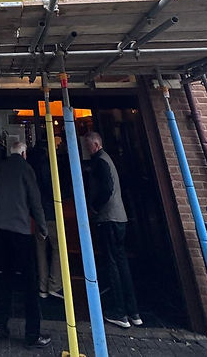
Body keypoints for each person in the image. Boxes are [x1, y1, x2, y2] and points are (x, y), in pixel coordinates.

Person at [0, 140, 52, 349]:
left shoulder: (0, 168)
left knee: (5, 276)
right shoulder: (26, 169)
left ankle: (1, 322)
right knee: (29, 282)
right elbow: (35, 200)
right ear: (24, 153)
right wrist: (42, 227)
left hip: (2, 230)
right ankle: (32, 334)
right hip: (21, 231)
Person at [83, 131, 142, 329]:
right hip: (119, 218)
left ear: (96, 145)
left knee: (112, 263)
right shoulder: (106, 159)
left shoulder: (100, 162)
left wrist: (95, 206)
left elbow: (107, 189)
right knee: (120, 261)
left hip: (108, 218)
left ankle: (119, 311)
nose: (86, 150)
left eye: (87, 146)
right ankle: (133, 311)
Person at [28, 138, 63, 300]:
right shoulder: (47, 166)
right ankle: (55, 284)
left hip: (37, 213)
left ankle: (42, 286)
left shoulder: (31, 167)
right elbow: (50, 189)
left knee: (40, 249)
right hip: (50, 212)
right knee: (58, 247)